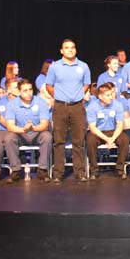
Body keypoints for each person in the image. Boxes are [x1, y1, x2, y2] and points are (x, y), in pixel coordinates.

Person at [45, 39, 91, 183]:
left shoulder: (83, 66)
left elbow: (87, 84)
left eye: (72, 47)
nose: (70, 50)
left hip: (77, 106)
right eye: (67, 48)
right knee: (59, 141)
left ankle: (80, 172)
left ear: (75, 50)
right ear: (61, 51)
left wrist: (77, 96)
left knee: (78, 141)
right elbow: (49, 85)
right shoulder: (55, 67)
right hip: (60, 107)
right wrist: (59, 96)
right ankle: (58, 173)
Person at [4, 78, 53, 182]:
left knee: (47, 136)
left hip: (37, 133)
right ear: (19, 91)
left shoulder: (40, 102)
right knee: (9, 137)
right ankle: (15, 170)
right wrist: (23, 129)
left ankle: (42, 170)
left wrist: (33, 128)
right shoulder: (12, 104)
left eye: (30, 89)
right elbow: (10, 126)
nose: (28, 93)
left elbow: (44, 125)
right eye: (25, 90)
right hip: (20, 134)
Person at [85, 82, 129, 179]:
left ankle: (120, 169)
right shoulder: (93, 107)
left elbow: (120, 125)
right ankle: (94, 170)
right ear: (100, 96)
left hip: (113, 131)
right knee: (90, 141)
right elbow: (92, 127)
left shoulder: (117, 105)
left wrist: (112, 138)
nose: (110, 97)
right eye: (107, 95)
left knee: (125, 140)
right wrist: (107, 139)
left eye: (111, 94)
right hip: (98, 132)